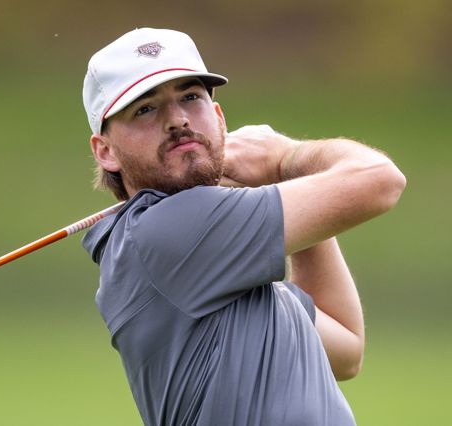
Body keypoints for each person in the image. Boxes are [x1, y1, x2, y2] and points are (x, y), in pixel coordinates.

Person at [80, 28, 406, 426]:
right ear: (106, 151)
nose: (177, 120)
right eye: (145, 109)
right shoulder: (167, 231)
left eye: (191, 97)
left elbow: (345, 350)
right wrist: (285, 156)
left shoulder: (221, 258)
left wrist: (282, 183)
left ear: (219, 119)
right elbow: (380, 181)